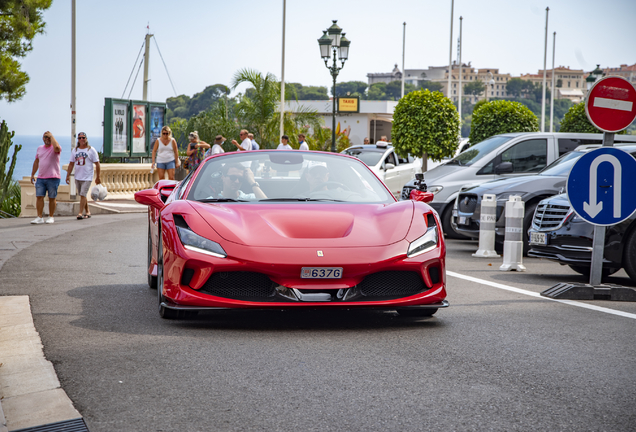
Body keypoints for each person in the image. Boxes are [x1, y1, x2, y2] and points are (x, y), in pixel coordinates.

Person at [66, 132, 101, 220]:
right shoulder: (75, 150)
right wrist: (68, 175)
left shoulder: (91, 150)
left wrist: (98, 177)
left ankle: (80, 212)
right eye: (80, 138)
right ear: (78, 139)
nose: (82, 139)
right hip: (78, 176)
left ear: (86, 138)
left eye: (83, 137)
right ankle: (88, 211)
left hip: (87, 176)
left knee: (83, 194)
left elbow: (97, 164)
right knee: (83, 195)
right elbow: (71, 164)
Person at [30, 131, 62, 224]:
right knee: (39, 197)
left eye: (48, 137)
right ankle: (39, 217)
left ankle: (51, 216)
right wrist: (32, 174)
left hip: (53, 177)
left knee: (52, 197)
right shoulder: (39, 148)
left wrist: (52, 136)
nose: (47, 139)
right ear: (42, 138)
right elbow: (36, 162)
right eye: (45, 137)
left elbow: (56, 148)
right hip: (41, 177)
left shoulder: (55, 147)